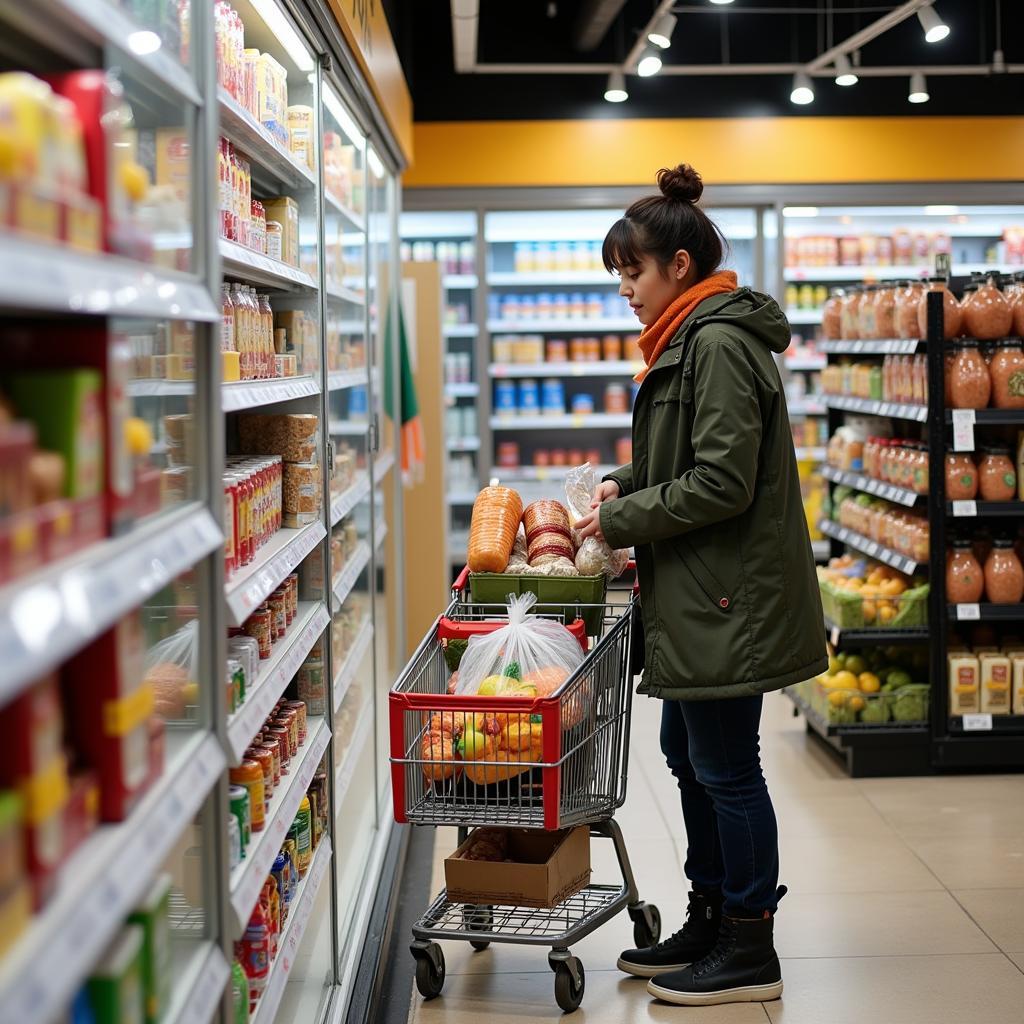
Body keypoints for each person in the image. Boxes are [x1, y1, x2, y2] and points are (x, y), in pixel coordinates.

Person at [576, 163, 827, 1008]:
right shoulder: (691, 339)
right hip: (696, 593)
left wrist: (617, 523)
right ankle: (711, 913)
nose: (625, 291)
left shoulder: (716, 343)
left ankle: (749, 941)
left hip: (729, 599)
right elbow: (679, 464)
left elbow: (721, 483)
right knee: (689, 755)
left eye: (632, 272)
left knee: (725, 766)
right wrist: (624, 483)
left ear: (677, 267)